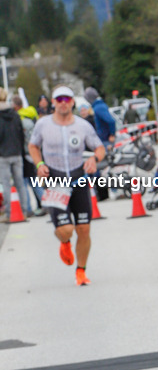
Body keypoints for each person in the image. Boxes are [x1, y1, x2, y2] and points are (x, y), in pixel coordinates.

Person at [28, 85, 105, 285]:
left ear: (72, 102)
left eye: (66, 99)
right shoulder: (43, 124)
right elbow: (33, 145)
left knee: (84, 229)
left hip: (78, 178)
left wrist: (94, 159)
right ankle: (64, 242)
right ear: (53, 102)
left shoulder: (82, 125)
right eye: (59, 99)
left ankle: (81, 271)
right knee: (66, 230)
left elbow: (99, 147)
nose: (63, 103)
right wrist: (39, 164)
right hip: (55, 180)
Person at [13, 94, 46, 217]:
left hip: (24, 154)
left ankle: (27, 208)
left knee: (25, 182)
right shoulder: (31, 115)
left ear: (15, 106)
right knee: (34, 181)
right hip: (32, 154)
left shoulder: (19, 119)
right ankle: (46, 203)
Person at [0, 87, 30, 220]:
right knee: (20, 184)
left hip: (3, 154)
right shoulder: (15, 114)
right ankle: (23, 211)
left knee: (6, 184)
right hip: (17, 153)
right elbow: (21, 135)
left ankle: (9, 213)